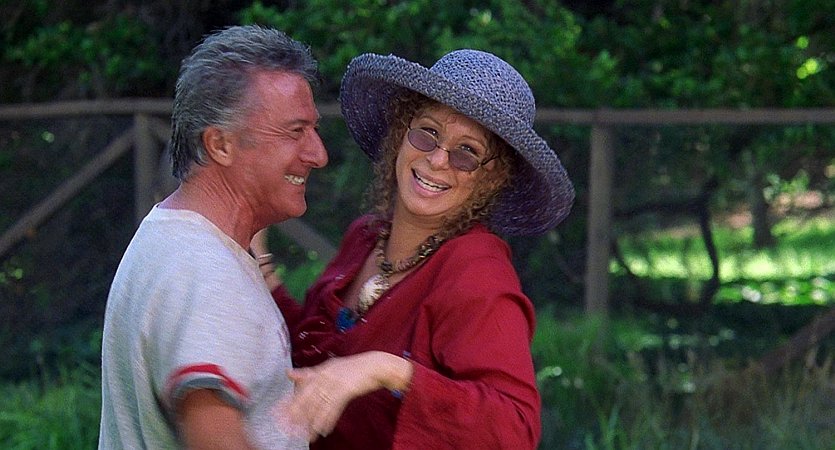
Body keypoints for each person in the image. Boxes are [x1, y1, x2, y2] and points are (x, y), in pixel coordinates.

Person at [256, 49, 575, 449]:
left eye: (467, 152)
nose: (438, 159)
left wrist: (389, 371)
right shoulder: (366, 236)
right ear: (401, 133)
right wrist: (261, 265)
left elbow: (515, 429)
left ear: (491, 178)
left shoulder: (476, 272)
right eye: (428, 132)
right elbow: (312, 356)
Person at [98, 25, 327, 449]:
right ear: (220, 144)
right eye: (295, 131)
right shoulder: (205, 273)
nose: (319, 154)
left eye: (314, 130)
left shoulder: (170, 236)